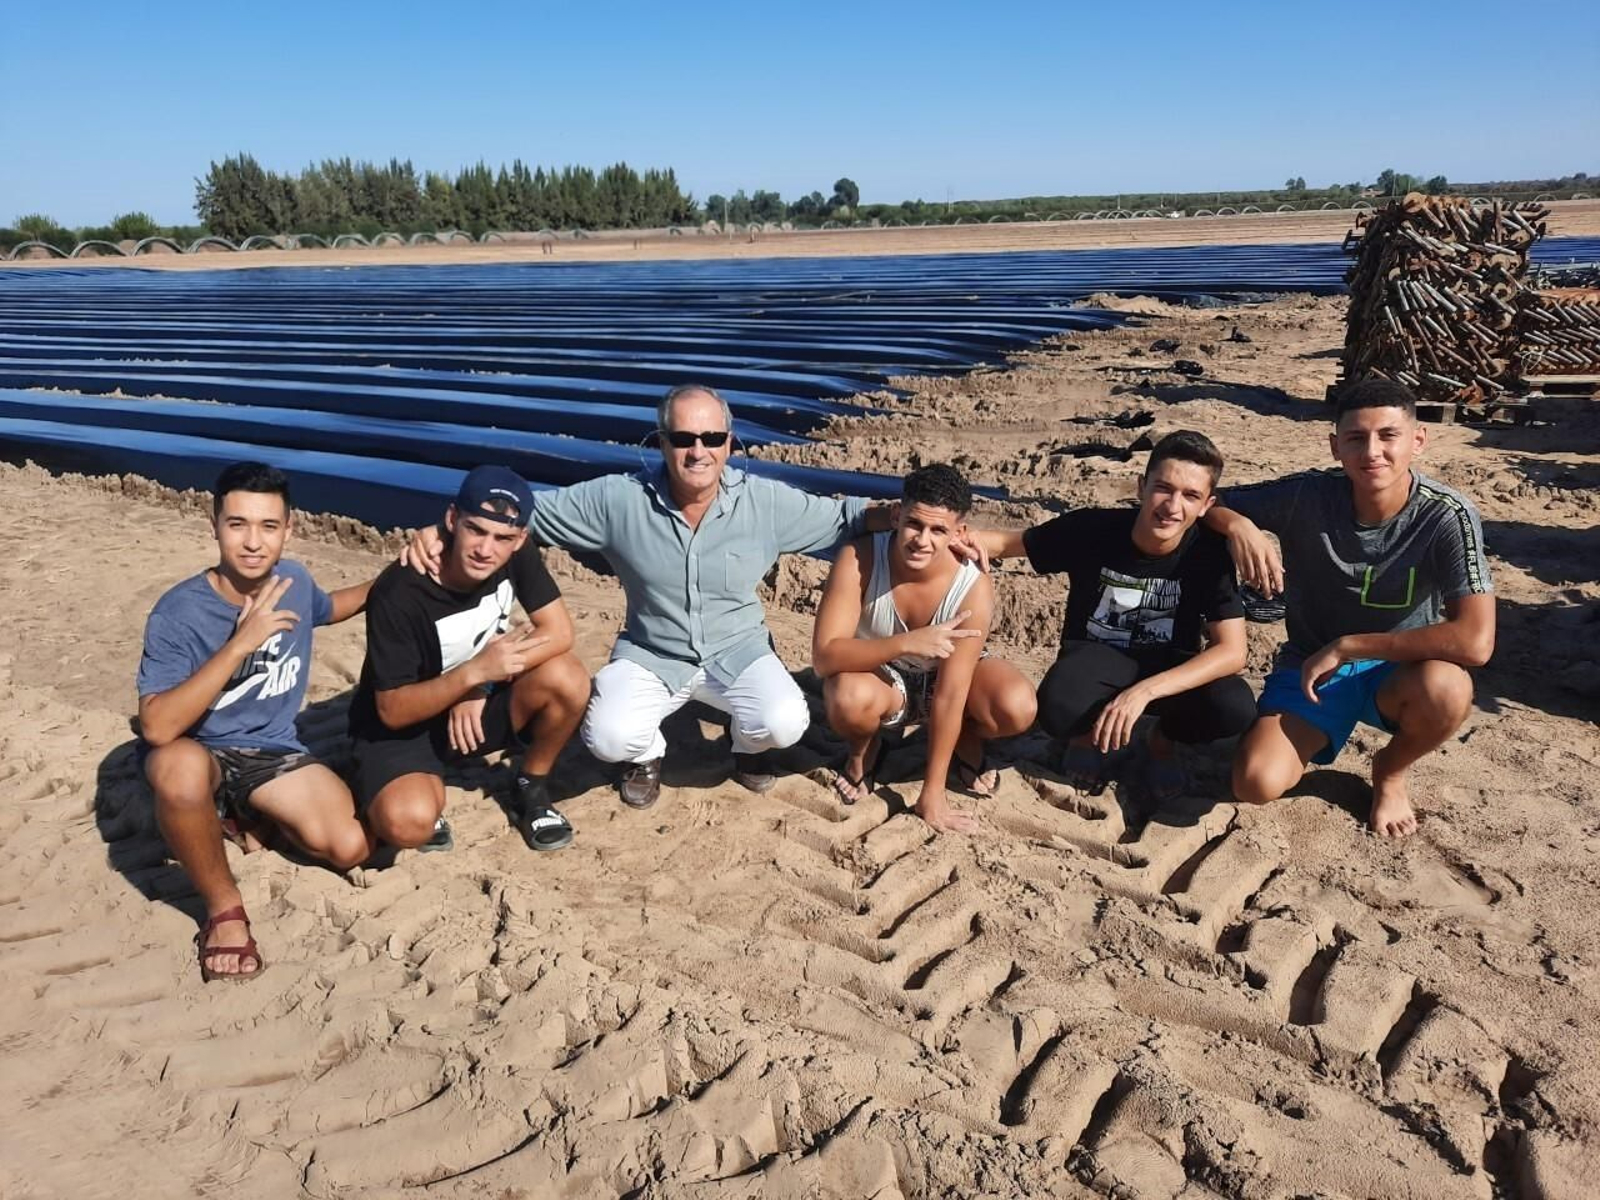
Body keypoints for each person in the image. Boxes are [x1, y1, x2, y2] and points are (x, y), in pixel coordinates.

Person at [406, 384, 888, 809]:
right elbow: (525, 513)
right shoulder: (619, 501)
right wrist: (441, 531)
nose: (697, 451)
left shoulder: (764, 503)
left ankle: (746, 748)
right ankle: (646, 755)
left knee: (784, 721)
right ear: (661, 443)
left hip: (738, 649)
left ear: (730, 443)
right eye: (682, 439)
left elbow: (847, 516)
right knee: (607, 735)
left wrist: (934, 522)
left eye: (711, 439)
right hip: (652, 652)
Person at [1208, 377, 1495, 838]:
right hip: (1310, 668)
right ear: (1335, 446)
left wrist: (1349, 646)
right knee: (1255, 783)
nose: (1372, 452)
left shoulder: (1447, 514)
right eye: (1356, 438)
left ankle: (1391, 770)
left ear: (1418, 440)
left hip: (1399, 672)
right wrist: (1241, 526)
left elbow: (1476, 641)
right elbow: (1208, 501)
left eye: (1388, 436)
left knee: (1449, 688)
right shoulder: (1308, 495)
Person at [137, 462, 374, 983]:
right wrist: (243, 641)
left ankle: (245, 817)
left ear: (289, 529)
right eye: (237, 524)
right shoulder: (178, 611)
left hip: (271, 752)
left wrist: (398, 578)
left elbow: (330, 608)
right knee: (176, 770)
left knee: (349, 846)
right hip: (202, 754)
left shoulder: (296, 581)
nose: (252, 542)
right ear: (215, 524)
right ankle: (224, 912)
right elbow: (155, 727)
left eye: (268, 526)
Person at [963, 431, 1255, 799]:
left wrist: (1143, 693)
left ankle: (1162, 740)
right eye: (1163, 488)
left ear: (1206, 505)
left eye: (1190, 496)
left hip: (1168, 667)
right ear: (1141, 486)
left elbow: (1232, 651)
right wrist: (943, 535)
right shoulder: (1093, 528)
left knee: (1234, 706)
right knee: (1057, 706)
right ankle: (1087, 737)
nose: (1172, 506)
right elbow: (1006, 544)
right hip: (1097, 658)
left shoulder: (1209, 554)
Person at [350, 466, 590, 852]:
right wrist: (472, 674)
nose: (485, 549)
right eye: (476, 530)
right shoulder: (401, 590)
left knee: (568, 677)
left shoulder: (515, 554)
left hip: (472, 710)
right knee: (407, 824)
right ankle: (398, 785)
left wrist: (482, 682)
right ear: (451, 520)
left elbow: (559, 632)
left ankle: (531, 786)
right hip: (403, 725)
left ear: (519, 538)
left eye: (502, 537)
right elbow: (392, 710)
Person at [812, 464, 1037, 832]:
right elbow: (824, 658)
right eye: (915, 523)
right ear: (897, 514)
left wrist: (932, 792)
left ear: (959, 532)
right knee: (846, 697)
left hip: (945, 676)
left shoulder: (972, 583)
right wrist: (907, 642)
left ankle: (965, 738)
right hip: (882, 672)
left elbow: (951, 691)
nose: (922, 540)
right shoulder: (860, 557)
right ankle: (863, 751)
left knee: (1016, 705)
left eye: (938, 530)